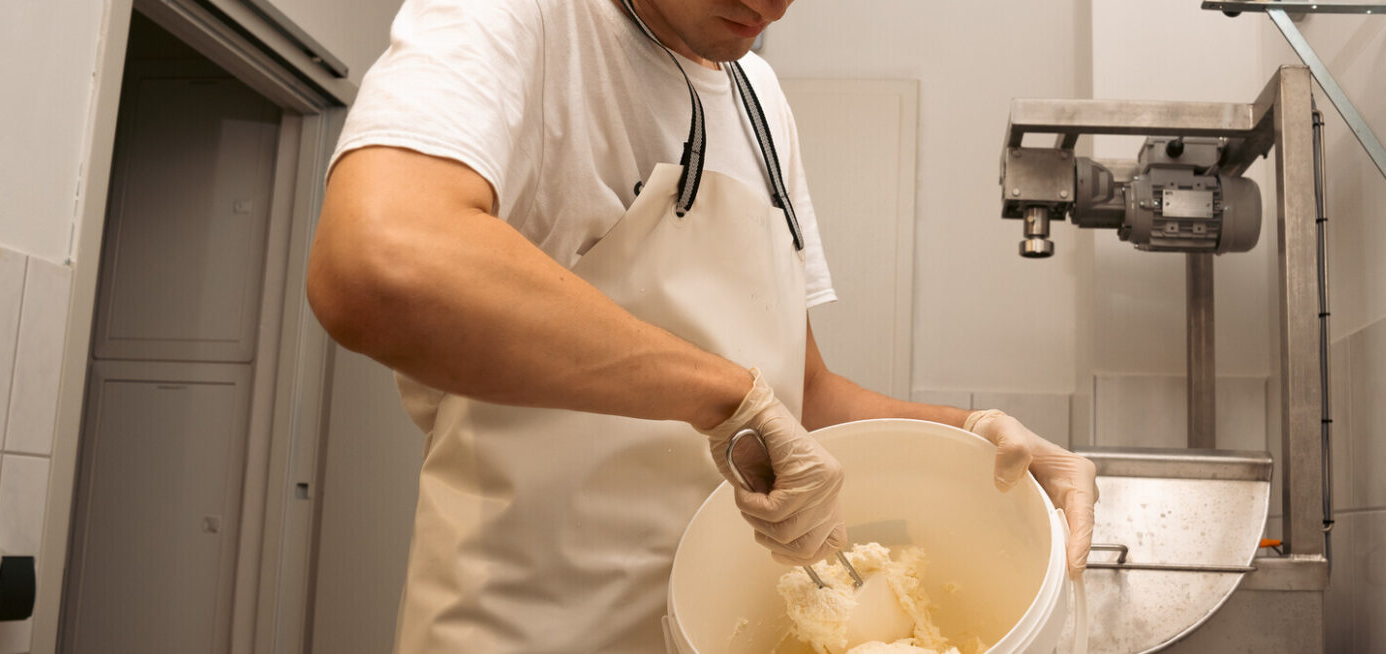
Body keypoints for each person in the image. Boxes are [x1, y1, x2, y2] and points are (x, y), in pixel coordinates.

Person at [305, 0, 1098, 650]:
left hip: (712, 630)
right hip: (529, 626)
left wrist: (978, 436)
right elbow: (378, 265)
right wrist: (727, 400)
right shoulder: (516, 22)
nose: (769, 4)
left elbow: (802, 394)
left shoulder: (757, 97)